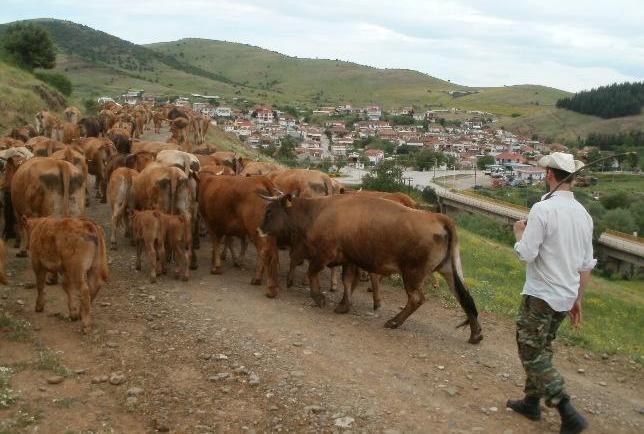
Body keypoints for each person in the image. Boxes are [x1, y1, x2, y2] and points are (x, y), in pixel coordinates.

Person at [508, 152, 596, 434]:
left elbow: (527, 254)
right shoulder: (584, 215)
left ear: (549, 175)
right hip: (566, 295)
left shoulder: (542, 209)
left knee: (531, 350)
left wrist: (519, 233)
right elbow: (585, 265)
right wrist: (578, 299)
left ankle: (567, 411)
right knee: (542, 346)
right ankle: (531, 402)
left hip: (541, 295)